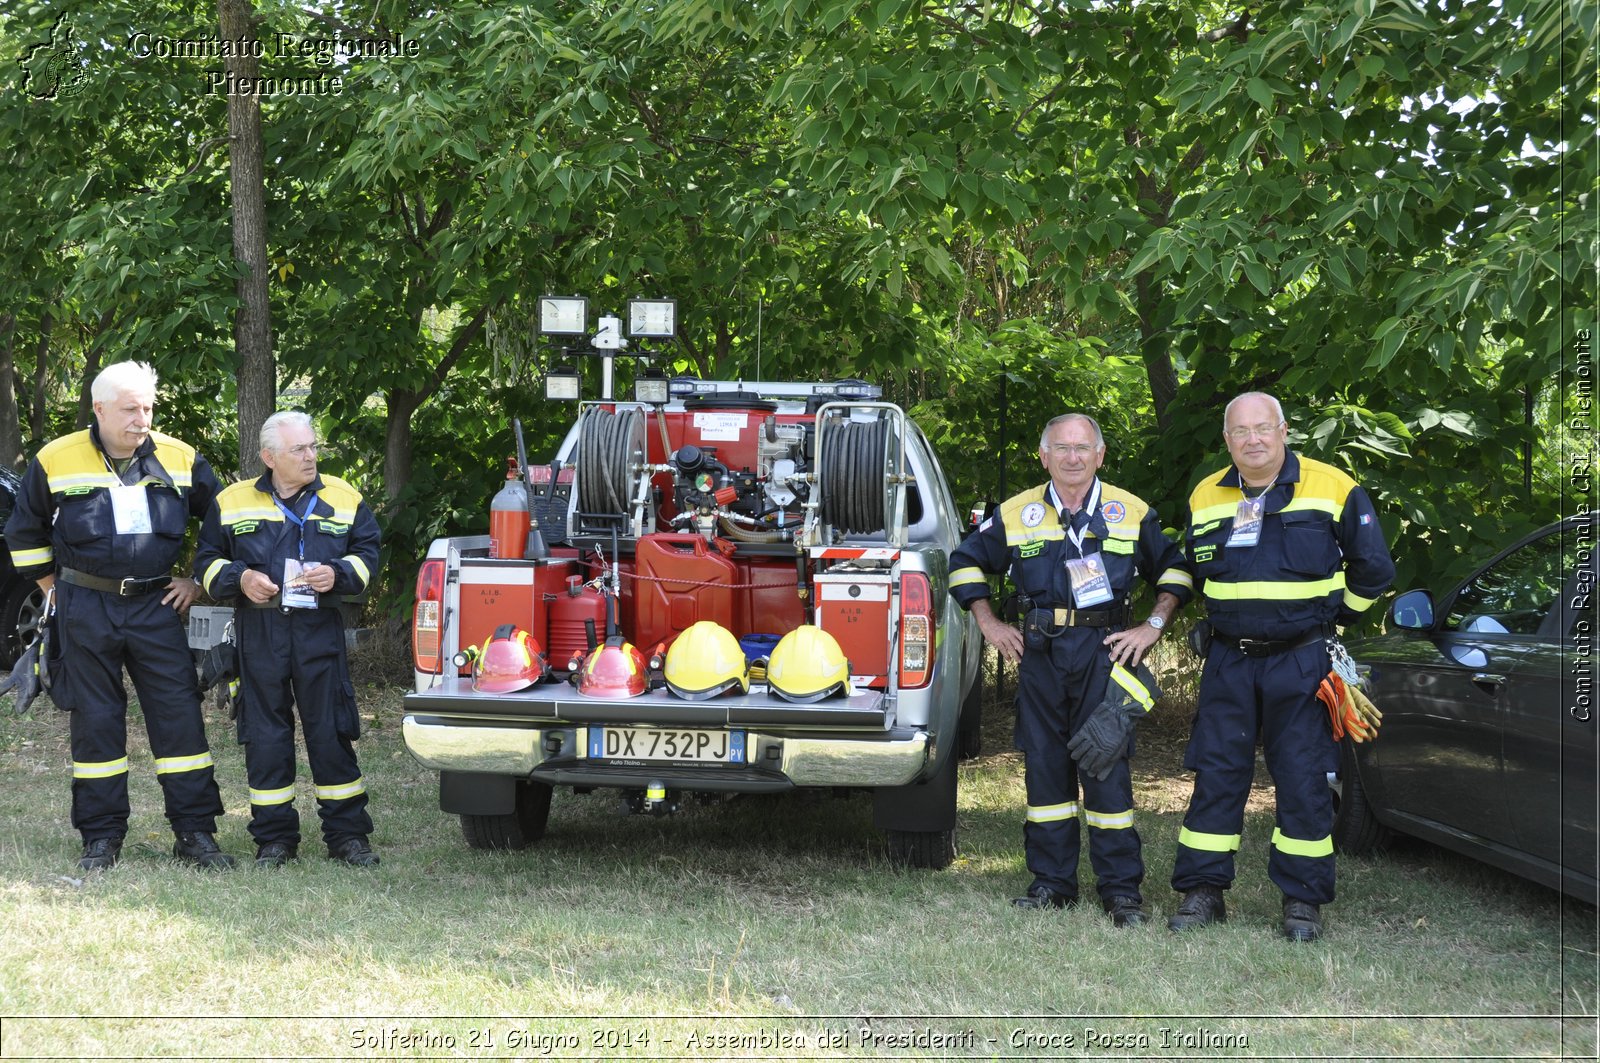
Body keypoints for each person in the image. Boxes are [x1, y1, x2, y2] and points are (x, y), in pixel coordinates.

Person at [1168, 392, 1395, 941]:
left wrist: (1332, 619)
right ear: (1227, 440)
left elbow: (1374, 572)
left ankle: (1301, 903)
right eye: (1240, 431)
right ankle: (1202, 893)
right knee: (1217, 776)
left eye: (1263, 428)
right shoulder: (1206, 494)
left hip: (1302, 660)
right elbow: (1196, 569)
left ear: (1284, 430)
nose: (1253, 439)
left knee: (1302, 779)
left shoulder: (1332, 486)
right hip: (1227, 661)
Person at [949, 414, 1192, 926]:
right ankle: (1052, 884)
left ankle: (1122, 892)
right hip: (1039, 654)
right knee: (1045, 771)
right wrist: (989, 623)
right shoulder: (1017, 513)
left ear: (1100, 455)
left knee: (1104, 769)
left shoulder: (1131, 512)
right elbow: (963, 563)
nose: (1073, 457)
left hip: (1107, 654)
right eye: (1062, 448)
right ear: (1044, 456)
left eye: (1083, 448)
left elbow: (1176, 570)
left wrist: (1151, 626)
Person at [4, 360, 231, 871]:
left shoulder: (181, 458)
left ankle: (195, 834)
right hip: (85, 607)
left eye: (148, 408)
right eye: (130, 409)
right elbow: (24, 532)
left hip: (157, 606)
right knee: (96, 723)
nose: (141, 418)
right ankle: (101, 838)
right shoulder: (56, 458)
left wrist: (197, 581)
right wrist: (51, 589)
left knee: (180, 720)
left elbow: (223, 523)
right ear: (99, 409)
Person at [194, 411, 382, 868]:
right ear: (268, 457)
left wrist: (336, 574)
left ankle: (348, 838)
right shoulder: (232, 501)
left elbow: (369, 555)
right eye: (299, 449)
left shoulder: (344, 497)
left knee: (330, 729)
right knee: (265, 736)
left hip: (319, 629)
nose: (310, 456)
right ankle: (274, 840)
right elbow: (206, 561)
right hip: (259, 632)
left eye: (313, 447)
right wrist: (240, 579)